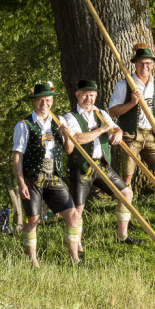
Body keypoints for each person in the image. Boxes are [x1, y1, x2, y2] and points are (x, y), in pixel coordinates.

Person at [62, 79, 143, 250]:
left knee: (126, 193)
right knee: (78, 210)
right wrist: (101, 130)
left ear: (96, 96)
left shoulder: (101, 113)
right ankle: (78, 247)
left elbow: (114, 128)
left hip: (102, 165)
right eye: (85, 95)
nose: (88, 99)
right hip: (82, 167)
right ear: (77, 95)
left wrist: (118, 133)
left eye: (92, 95)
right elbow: (77, 138)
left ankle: (123, 235)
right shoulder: (70, 117)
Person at [12, 80, 83, 267]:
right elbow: (18, 156)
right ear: (35, 102)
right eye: (41, 101)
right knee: (33, 219)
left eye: (48, 101)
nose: (45, 105)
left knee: (73, 214)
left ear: (52, 101)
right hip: (33, 177)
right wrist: (21, 182)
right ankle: (33, 261)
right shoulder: (24, 124)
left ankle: (75, 259)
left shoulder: (59, 121)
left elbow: (68, 150)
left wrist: (66, 135)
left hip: (53, 175)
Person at [108, 45, 155, 223]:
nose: (145, 67)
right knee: (127, 177)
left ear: (153, 65)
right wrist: (132, 103)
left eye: (148, 63)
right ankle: (125, 218)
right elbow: (113, 111)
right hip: (131, 135)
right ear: (135, 65)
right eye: (141, 64)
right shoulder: (124, 84)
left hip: (153, 136)